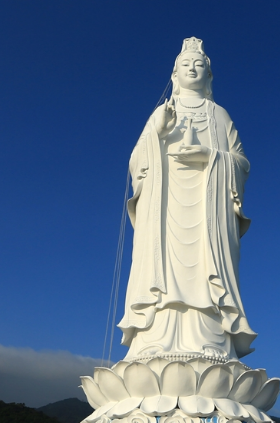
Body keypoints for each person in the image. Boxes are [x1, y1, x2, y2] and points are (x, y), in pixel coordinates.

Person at [119, 37, 257, 361]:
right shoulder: (161, 113)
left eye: (199, 65)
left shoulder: (220, 116)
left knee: (206, 275)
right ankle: (153, 340)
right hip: (164, 210)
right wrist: (157, 132)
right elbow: (135, 163)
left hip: (209, 214)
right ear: (174, 75)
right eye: (186, 64)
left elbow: (241, 163)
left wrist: (211, 157)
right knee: (162, 271)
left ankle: (211, 340)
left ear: (209, 76)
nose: (192, 68)